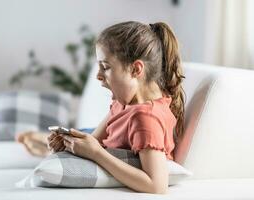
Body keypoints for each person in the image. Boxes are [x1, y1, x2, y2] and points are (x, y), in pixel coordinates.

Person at [16, 21, 185, 194]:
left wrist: (97, 154)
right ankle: (43, 144)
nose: (98, 75)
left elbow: (157, 185)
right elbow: (94, 140)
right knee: (81, 132)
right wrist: (69, 144)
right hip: (100, 137)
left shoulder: (146, 118)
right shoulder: (124, 104)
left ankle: (41, 144)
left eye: (105, 67)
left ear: (135, 69)